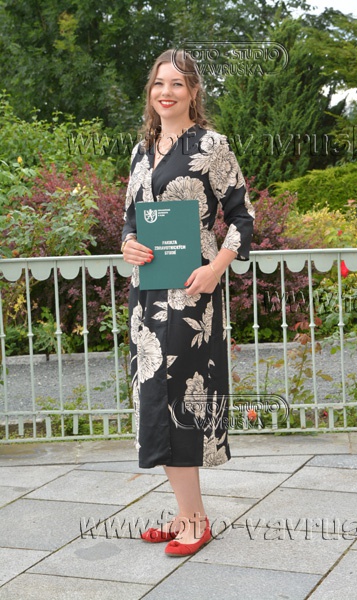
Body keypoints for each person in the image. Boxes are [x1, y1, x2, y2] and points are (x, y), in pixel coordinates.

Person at [121, 48, 254, 556]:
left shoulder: (211, 145)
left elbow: (242, 217)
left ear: (193, 91)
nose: (166, 92)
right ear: (150, 90)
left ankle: (196, 519)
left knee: (178, 397)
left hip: (193, 293)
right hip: (146, 294)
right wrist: (128, 243)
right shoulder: (142, 149)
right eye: (159, 83)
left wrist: (216, 268)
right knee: (153, 397)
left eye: (177, 83)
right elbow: (132, 217)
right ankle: (184, 514)